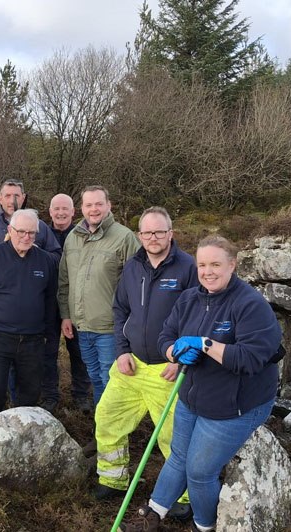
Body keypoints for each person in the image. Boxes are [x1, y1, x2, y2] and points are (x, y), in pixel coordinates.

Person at [120, 235, 282, 532]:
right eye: (202, 264)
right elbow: (165, 337)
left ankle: (203, 526)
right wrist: (175, 351)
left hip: (234, 405)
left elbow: (250, 359)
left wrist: (206, 344)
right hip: (192, 397)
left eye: (216, 264)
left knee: (199, 472)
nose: (208, 271)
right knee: (178, 457)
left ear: (232, 265)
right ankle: (153, 515)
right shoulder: (190, 298)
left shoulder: (250, 305)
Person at [94, 207, 198, 502]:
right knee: (107, 418)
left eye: (159, 232)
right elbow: (120, 310)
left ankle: (183, 497)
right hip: (130, 367)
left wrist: (180, 360)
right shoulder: (132, 267)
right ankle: (112, 479)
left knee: (174, 438)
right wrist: (121, 351)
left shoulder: (188, 269)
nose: (153, 238)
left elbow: (200, 318)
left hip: (167, 371)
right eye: (147, 232)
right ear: (139, 235)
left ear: (170, 234)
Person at [0, 179, 61, 396]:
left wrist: (32, 252)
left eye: (17, 195)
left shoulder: (39, 227)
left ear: (23, 198)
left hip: (30, 329)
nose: (12, 200)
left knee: (25, 382)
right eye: (8, 195)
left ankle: (19, 407)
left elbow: (55, 258)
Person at [58, 185, 140, 406]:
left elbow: (138, 286)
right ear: (82, 208)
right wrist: (66, 316)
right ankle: (101, 431)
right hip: (81, 327)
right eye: (89, 205)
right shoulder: (73, 238)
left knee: (111, 381)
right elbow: (64, 281)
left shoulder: (125, 238)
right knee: (95, 379)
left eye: (98, 204)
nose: (94, 209)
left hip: (110, 328)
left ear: (108, 205)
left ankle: (113, 437)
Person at [46, 193, 92, 413]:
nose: (61, 213)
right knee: (48, 351)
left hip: (77, 303)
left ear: (74, 211)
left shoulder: (83, 234)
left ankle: (82, 395)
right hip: (46, 302)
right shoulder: (40, 233)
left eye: (66, 209)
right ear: (50, 211)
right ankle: (50, 395)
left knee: (80, 351)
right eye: (57, 209)